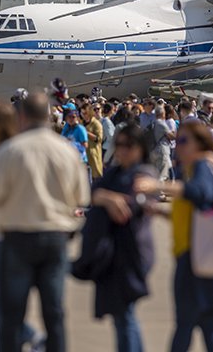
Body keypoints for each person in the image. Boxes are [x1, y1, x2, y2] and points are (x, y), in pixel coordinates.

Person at [0, 92, 90, 352]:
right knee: (55, 312)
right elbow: (81, 197)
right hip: (56, 238)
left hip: (19, 237)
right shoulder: (66, 151)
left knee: (12, 313)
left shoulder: (11, 150)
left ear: (22, 117)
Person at [135, 121, 213, 352]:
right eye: (177, 141)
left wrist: (158, 185)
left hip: (196, 259)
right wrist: (162, 213)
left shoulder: (203, 165)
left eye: (183, 141)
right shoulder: (193, 169)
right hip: (196, 255)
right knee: (204, 325)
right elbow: (199, 213)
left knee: (188, 325)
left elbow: (201, 193)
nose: (177, 146)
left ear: (199, 144)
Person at [78, 124, 155, 352]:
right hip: (111, 253)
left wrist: (105, 197)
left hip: (131, 251)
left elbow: (134, 202)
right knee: (123, 316)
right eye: (117, 145)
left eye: (127, 146)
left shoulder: (144, 174)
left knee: (125, 316)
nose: (121, 150)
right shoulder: (115, 172)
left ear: (140, 148)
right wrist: (104, 197)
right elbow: (92, 192)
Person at [0, 104, 44, 352]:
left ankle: (28, 336)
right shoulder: (1, 151)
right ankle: (24, 335)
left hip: (6, 236)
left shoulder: (7, 152)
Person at [80, 103, 104, 180]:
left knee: (95, 180)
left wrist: (85, 132)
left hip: (93, 156)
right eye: (82, 113)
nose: (83, 115)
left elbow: (99, 139)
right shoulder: (81, 123)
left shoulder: (96, 124)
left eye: (85, 113)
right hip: (82, 156)